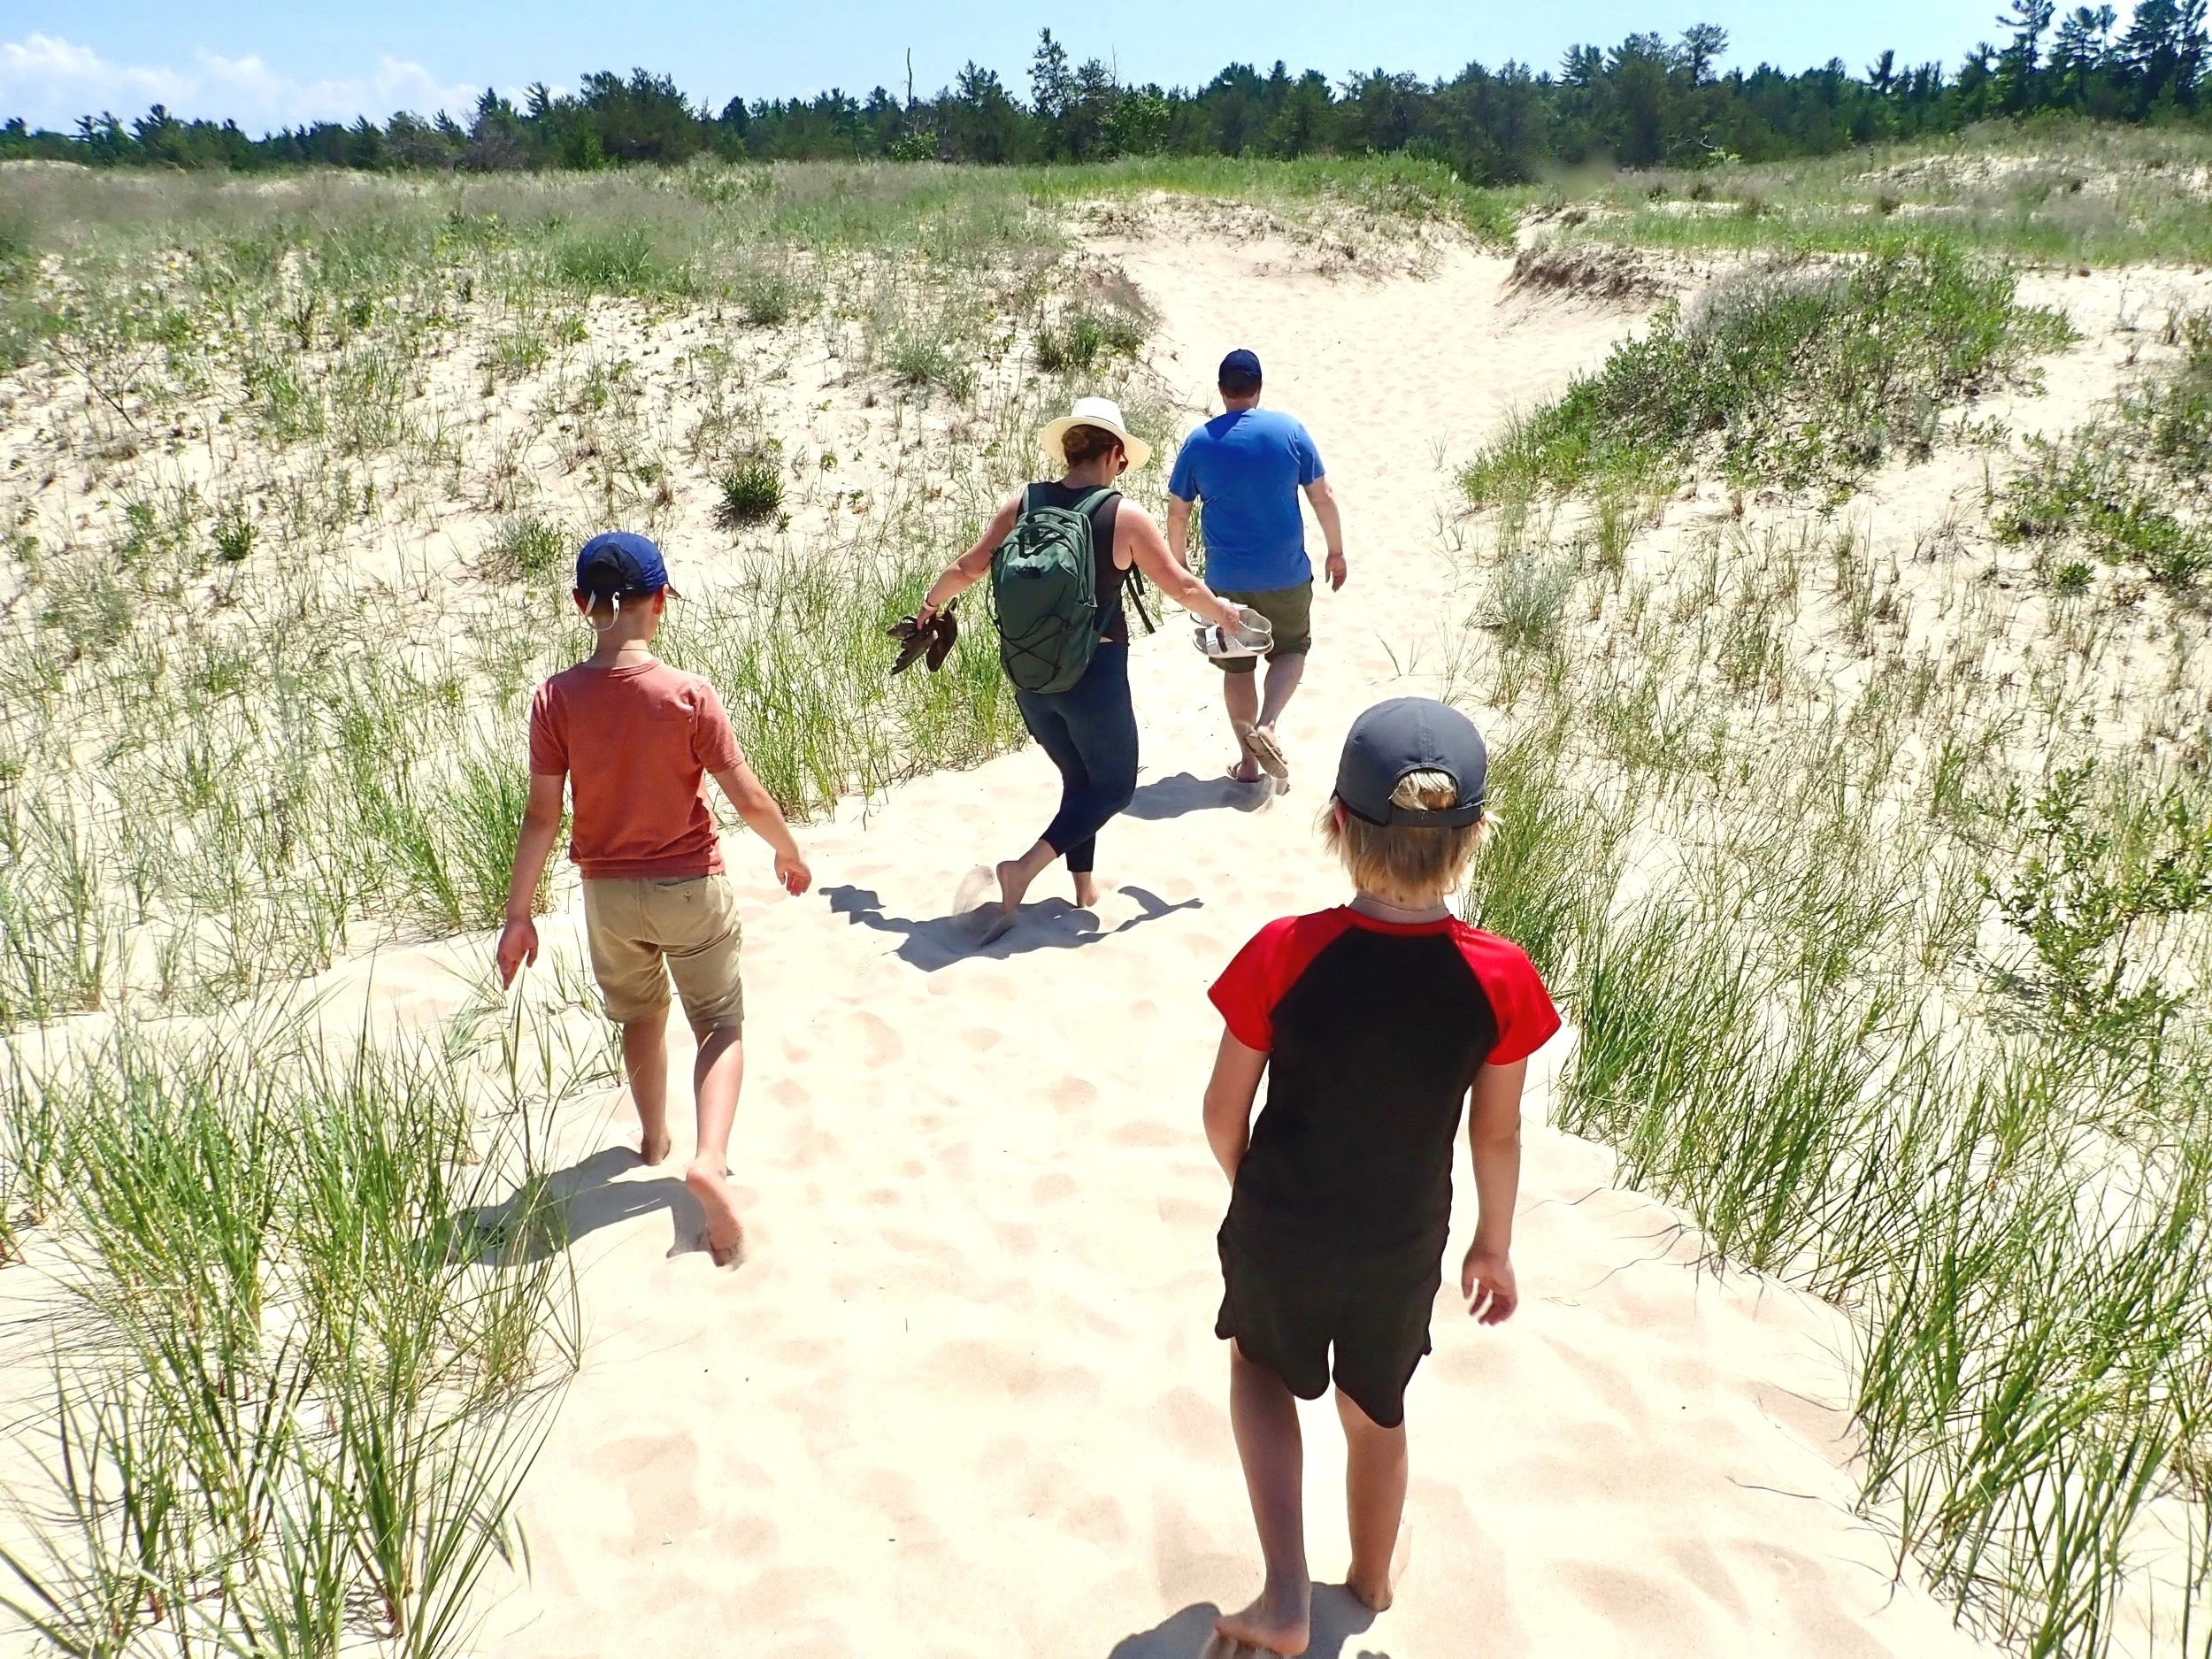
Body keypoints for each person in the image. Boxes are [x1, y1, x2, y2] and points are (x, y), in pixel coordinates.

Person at [1199, 697, 1559, 1654]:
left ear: (1335, 826)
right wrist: (1493, 1242)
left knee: (1259, 1368)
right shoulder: (1501, 976)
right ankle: (1366, 1579)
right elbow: (1497, 1133)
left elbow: (1220, 1111)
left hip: (1280, 1220)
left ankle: (1284, 1591)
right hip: (1398, 1240)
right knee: (1376, 1410)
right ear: (1473, 837)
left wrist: (1254, 1187)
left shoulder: (1285, 950)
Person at [496, 531, 812, 1268]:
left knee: (640, 1014)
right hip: (690, 884)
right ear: (661, 603)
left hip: (606, 894)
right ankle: (706, 1156)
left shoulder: (556, 699)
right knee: (720, 1022)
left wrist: (519, 914)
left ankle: (652, 1139)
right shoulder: (688, 694)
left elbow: (542, 815)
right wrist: (787, 851)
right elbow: (748, 795)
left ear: (582, 606)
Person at [917, 396, 1247, 939]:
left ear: (1070, 449)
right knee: (1113, 787)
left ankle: (1084, 889)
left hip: (1029, 675)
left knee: (1079, 778)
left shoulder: (1023, 502)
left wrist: (928, 610)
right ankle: (1022, 871)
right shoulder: (1123, 514)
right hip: (1092, 678)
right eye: (1122, 460)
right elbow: (1183, 587)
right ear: (1115, 453)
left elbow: (967, 567)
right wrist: (1227, 615)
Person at [1167, 349, 1347, 789]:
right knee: (1292, 649)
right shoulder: (1289, 430)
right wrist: (1336, 551)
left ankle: (1248, 765)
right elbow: (1322, 496)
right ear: (1259, 388)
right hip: (1286, 573)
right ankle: (1268, 723)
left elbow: (1177, 513)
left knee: (1238, 667)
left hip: (1227, 583)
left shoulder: (1199, 441)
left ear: (1222, 390)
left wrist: (1180, 567)